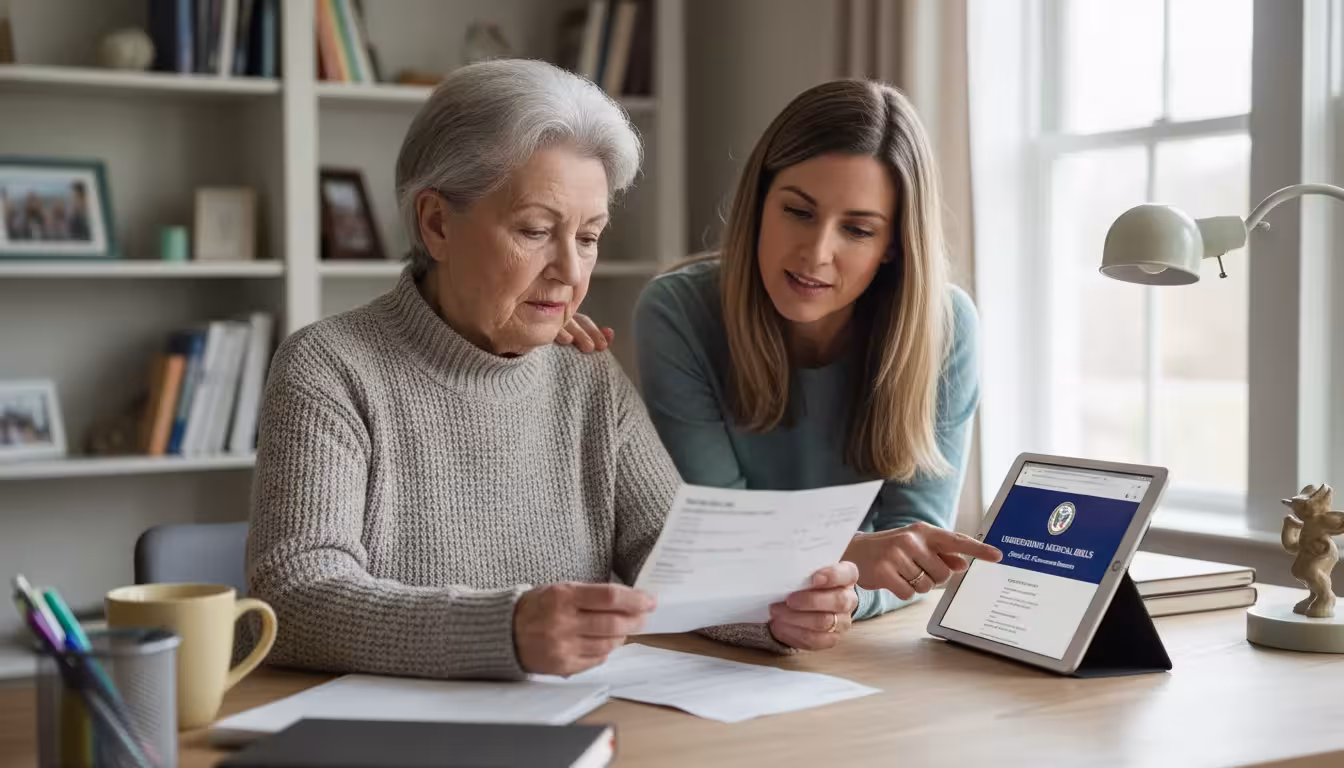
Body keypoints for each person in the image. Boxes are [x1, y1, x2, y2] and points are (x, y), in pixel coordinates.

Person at [246, 60, 861, 682]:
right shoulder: (329, 367)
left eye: (589, 237)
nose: (569, 270)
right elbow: (295, 597)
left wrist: (774, 612)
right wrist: (505, 630)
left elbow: (670, 557)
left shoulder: (586, 375)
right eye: (536, 230)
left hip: (580, 724)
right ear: (436, 223)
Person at [566, 79, 1002, 620]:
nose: (817, 254)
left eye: (858, 230)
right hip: (737, 627)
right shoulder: (679, 312)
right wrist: (849, 567)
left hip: (855, 630)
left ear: (893, 245)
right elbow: (724, 532)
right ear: (760, 202)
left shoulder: (947, 326)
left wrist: (846, 597)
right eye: (798, 212)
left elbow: (914, 550)